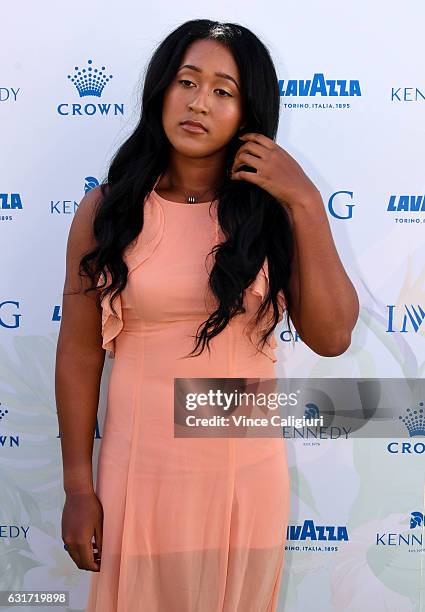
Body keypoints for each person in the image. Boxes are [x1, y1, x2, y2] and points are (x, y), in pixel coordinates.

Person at [55, 19, 359, 612]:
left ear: (248, 112)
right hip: (139, 474)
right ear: (160, 90)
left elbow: (333, 336)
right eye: (186, 81)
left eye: (223, 90)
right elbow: (78, 354)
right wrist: (77, 485)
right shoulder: (109, 211)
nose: (199, 102)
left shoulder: (272, 216)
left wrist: (304, 201)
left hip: (244, 477)